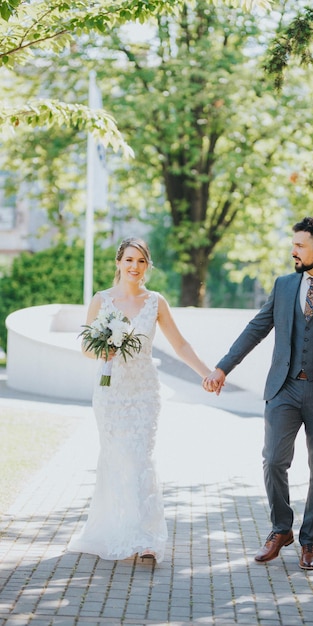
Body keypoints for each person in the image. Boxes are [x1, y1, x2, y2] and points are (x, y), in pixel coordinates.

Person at [203, 217, 313, 570]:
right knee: (273, 460)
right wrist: (222, 368)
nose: (292, 251)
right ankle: (281, 529)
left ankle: (310, 541)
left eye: (299, 245)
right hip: (284, 387)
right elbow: (257, 329)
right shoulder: (283, 285)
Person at [68, 237, 212, 563]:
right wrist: (102, 348)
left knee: (139, 460)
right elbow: (85, 347)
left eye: (141, 261)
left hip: (144, 393)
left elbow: (181, 345)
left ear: (147, 266)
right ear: (118, 263)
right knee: (118, 460)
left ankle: (146, 538)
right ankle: (120, 529)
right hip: (110, 393)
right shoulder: (101, 300)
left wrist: (207, 373)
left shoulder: (155, 302)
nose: (134, 266)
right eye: (129, 260)